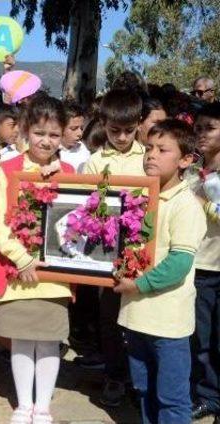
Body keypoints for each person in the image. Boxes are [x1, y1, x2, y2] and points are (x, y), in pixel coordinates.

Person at [0, 94, 74, 424]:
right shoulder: (5, 169)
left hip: (54, 272)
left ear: (62, 134)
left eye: (54, 135)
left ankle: (43, 407)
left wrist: (59, 178)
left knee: (50, 340)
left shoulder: (68, 172)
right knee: (21, 339)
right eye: (39, 133)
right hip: (15, 271)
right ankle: (24, 405)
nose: (46, 141)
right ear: (24, 130)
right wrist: (22, 259)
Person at [115, 119, 206, 423]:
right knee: (143, 389)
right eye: (149, 147)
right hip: (135, 318)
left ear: (185, 160)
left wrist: (137, 286)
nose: (151, 155)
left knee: (171, 399)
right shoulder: (138, 196)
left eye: (162, 149)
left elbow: (179, 264)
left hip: (168, 324)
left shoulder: (185, 205)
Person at [82, 88, 145, 407]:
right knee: (110, 319)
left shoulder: (149, 156)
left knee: (140, 318)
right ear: (103, 124)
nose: (121, 137)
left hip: (144, 253)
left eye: (128, 130)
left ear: (139, 123)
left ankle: (141, 379)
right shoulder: (94, 162)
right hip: (106, 255)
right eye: (114, 130)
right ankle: (115, 376)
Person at [189, 103, 220, 423]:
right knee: (200, 338)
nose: (201, 134)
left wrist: (204, 202)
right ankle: (208, 397)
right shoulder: (190, 171)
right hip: (200, 267)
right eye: (198, 128)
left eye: (209, 128)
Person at [59, 101, 90, 173]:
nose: (80, 133)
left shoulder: (82, 148)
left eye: (81, 128)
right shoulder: (51, 151)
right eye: (74, 129)